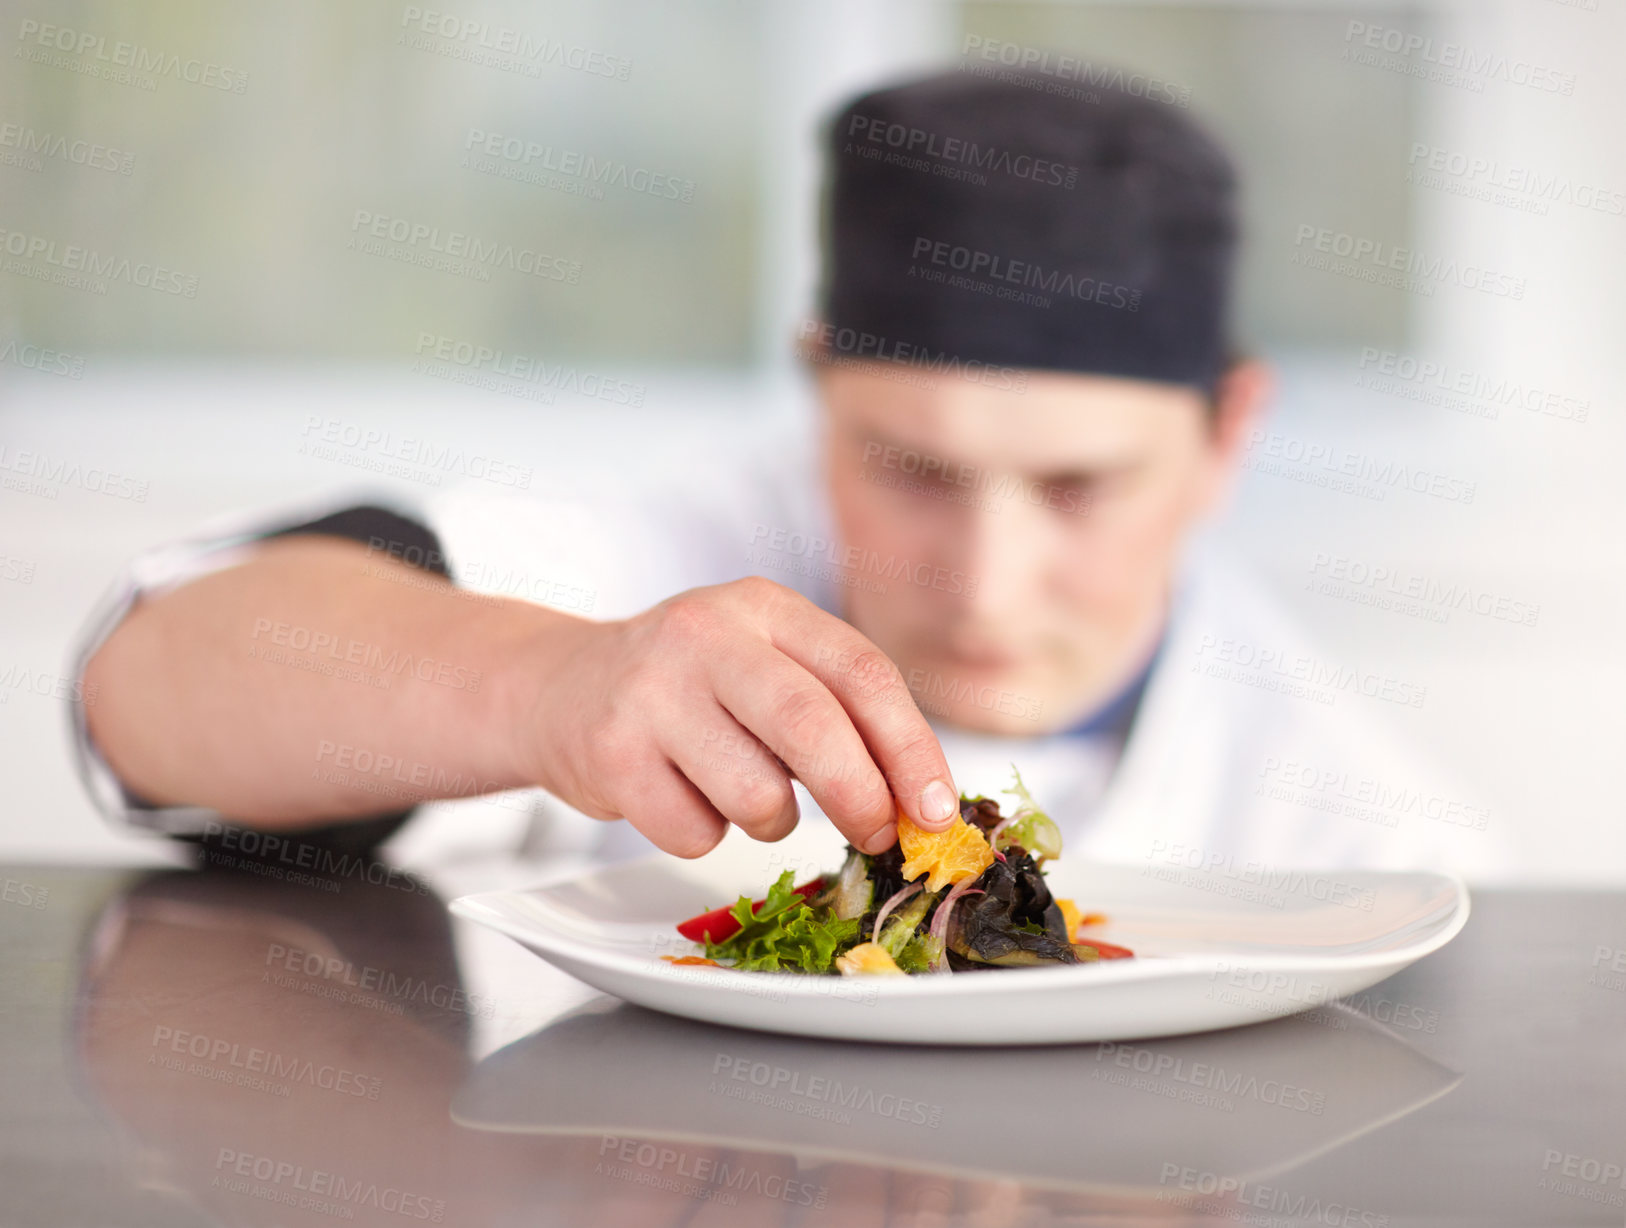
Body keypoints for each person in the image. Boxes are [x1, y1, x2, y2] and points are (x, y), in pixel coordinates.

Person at [72, 68, 1509, 880]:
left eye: (1077, 490)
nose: (985, 580)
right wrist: (536, 688)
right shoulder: (664, 562)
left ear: (1227, 436)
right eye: (910, 469)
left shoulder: (1376, 845)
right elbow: (141, 691)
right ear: (817, 381)